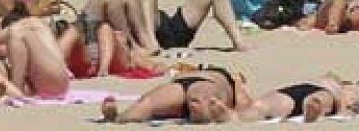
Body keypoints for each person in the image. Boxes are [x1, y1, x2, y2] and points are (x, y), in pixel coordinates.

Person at [101, 67, 250, 123]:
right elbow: (245, 107)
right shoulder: (230, 80)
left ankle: (119, 118)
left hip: (189, 82)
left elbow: (245, 107)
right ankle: (117, 118)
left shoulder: (232, 81)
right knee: (146, 103)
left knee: (147, 103)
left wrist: (237, 83)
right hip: (192, 82)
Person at [207, 75, 359, 123]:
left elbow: (353, 104)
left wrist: (347, 108)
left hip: (294, 90)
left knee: (261, 106)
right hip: (315, 92)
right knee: (261, 106)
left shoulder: (337, 86)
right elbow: (353, 103)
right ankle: (313, 107)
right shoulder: (338, 87)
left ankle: (234, 117)